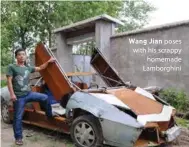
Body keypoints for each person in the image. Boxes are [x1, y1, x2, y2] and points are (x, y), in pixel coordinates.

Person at [6, 48, 55, 145]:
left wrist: (48, 62)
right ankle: (18, 138)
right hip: (19, 97)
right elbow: (9, 82)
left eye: (23, 54)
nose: (22, 56)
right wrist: (12, 94)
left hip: (29, 94)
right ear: (16, 56)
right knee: (18, 117)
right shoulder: (12, 67)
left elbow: (40, 68)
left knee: (44, 98)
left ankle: (49, 115)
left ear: (25, 56)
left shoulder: (27, 67)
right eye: (19, 54)